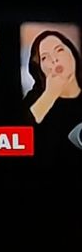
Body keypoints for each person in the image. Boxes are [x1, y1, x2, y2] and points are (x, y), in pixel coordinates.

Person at [23, 29, 82, 165]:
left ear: (72, 53)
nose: (54, 59)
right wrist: (50, 95)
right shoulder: (34, 100)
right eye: (44, 57)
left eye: (59, 50)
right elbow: (17, 138)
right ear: (40, 68)